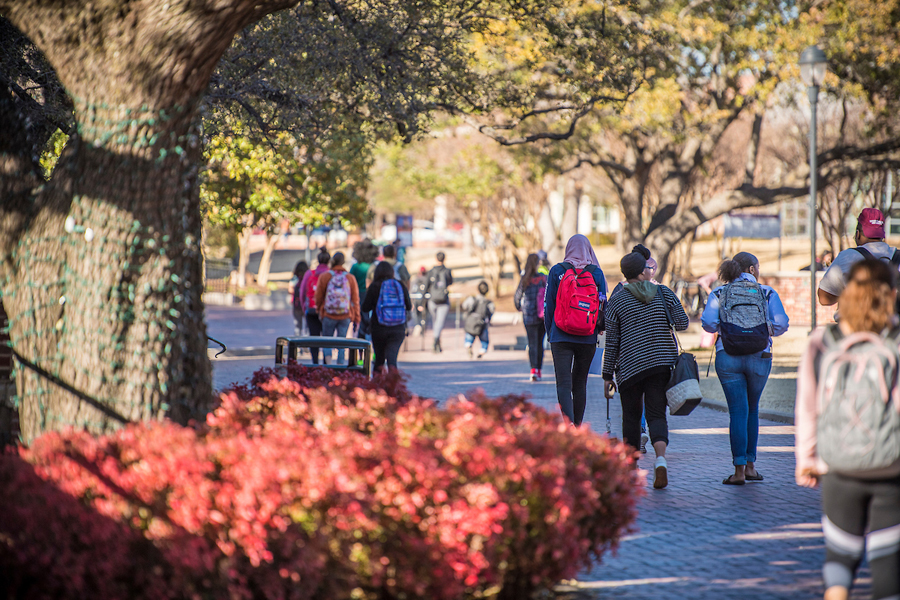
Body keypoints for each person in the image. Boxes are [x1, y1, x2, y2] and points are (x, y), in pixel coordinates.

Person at [795, 259, 900, 600]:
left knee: (840, 557)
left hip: (839, 464)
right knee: (887, 565)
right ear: (893, 294)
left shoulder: (822, 340)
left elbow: (808, 406)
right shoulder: (896, 339)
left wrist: (807, 459)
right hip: (891, 467)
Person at [701, 252, 790, 485]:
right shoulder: (767, 292)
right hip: (760, 355)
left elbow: (708, 324)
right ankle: (751, 467)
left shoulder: (719, 292)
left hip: (728, 355)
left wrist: (730, 329)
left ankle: (738, 471)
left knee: (737, 412)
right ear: (751, 269)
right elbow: (782, 324)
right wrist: (762, 330)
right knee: (752, 409)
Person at [603, 251, 688, 489]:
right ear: (643, 272)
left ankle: (631, 468)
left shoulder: (617, 301)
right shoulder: (663, 292)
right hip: (661, 364)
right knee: (656, 415)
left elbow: (612, 342)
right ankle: (660, 460)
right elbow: (682, 323)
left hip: (629, 367)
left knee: (631, 416)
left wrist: (607, 375)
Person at [544, 234, 607, 427]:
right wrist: (599, 329)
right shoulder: (596, 273)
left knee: (563, 383)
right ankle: (578, 425)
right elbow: (604, 304)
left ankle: (568, 424)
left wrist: (550, 332)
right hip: (587, 337)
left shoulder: (556, 271)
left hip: (560, 336)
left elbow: (549, 306)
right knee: (580, 382)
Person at [818, 208, 900, 311]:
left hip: (857, 325)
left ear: (857, 234)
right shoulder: (897, 256)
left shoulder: (847, 256)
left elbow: (824, 298)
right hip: (893, 324)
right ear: (881, 235)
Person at [361, 260, 412, 373]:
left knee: (379, 360)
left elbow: (365, 307)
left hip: (379, 328)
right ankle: (394, 387)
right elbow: (408, 306)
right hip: (398, 328)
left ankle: (377, 388)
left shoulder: (375, 286)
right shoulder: (400, 285)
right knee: (392, 360)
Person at [315, 252, 360, 365]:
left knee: (327, 341)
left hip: (328, 314)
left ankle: (329, 365)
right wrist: (356, 318)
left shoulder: (325, 276)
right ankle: (340, 366)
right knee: (342, 341)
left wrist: (319, 310)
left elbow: (318, 296)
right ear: (344, 262)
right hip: (345, 315)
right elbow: (355, 300)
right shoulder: (350, 278)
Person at [514, 253, 548, 381]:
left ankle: (533, 370)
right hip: (542, 315)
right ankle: (539, 370)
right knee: (540, 344)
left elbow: (517, 296)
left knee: (532, 343)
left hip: (529, 315)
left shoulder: (525, 278)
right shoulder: (543, 278)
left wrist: (519, 307)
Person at [299, 250, 330, 364]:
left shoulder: (309, 273)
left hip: (311, 310)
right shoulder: (330, 273)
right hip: (327, 311)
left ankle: (315, 362)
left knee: (314, 337)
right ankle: (326, 365)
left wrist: (304, 307)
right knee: (327, 338)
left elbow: (302, 292)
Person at [350, 239, 379, 340]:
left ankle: (360, 342)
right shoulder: (374, 266)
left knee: (361, 320)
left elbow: (350, 282)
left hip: (358, 295)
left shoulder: (355, 267)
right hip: (372, 294)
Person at [425, 252, 453, 353]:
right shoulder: (447, 271)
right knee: (439, 323)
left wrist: (422, 301)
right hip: (443, 300)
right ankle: (436, 341)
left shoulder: (431, 271)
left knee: (436, 322)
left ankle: (436, 341)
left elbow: (426, 285)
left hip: (432, 300)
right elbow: (450, 282)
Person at [462, 281, 495, 359]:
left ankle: (468, 345)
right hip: (482, 324)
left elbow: (464, 306)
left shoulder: (472, 299)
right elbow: (492, 311)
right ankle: (482, 351)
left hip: (471, 323)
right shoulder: (488, 302)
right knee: (484, 341)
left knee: (469, 337)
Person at [288, 260, 309, 336]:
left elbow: (290, 290)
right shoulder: (308, 278)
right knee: (307, 327)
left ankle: (297, 344)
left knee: (297, 326)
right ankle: (306, 344)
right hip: (306, 305)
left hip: (296, 305)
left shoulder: (294, 278)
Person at [411, 266, 430, 336]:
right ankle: (420, 327)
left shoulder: (416, 279)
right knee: (422, 315)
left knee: (417, 315)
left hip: (418, 300)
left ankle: (418, 326)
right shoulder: (426, 279)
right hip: (422, 300)